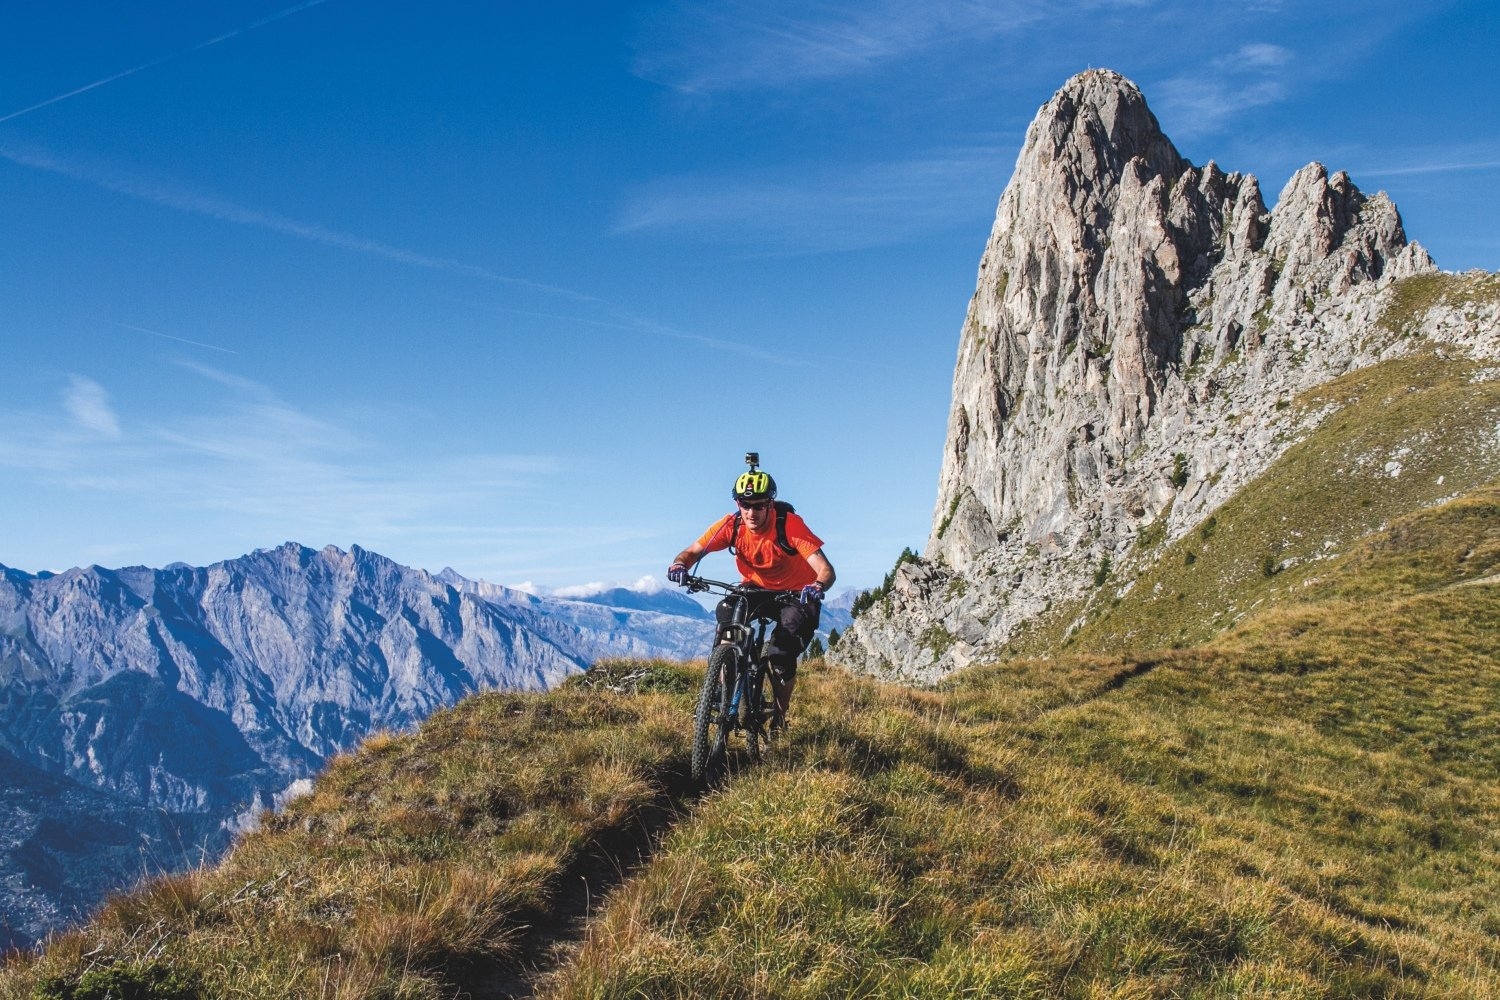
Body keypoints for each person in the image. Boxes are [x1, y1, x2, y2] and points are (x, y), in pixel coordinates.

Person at [667, 460, 836, 724]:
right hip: (755, 589)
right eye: (745, 505)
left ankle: (780, 717)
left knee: (780, 655)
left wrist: (817, 586)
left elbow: (825, 570)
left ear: (770, 504)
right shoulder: (731, 526)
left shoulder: (789, 525)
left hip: (797, 593)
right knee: (727, 616)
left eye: (759, 505)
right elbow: (692, 552)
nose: (751, 512)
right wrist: (680, 564)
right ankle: (723, 688)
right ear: (737, 505)